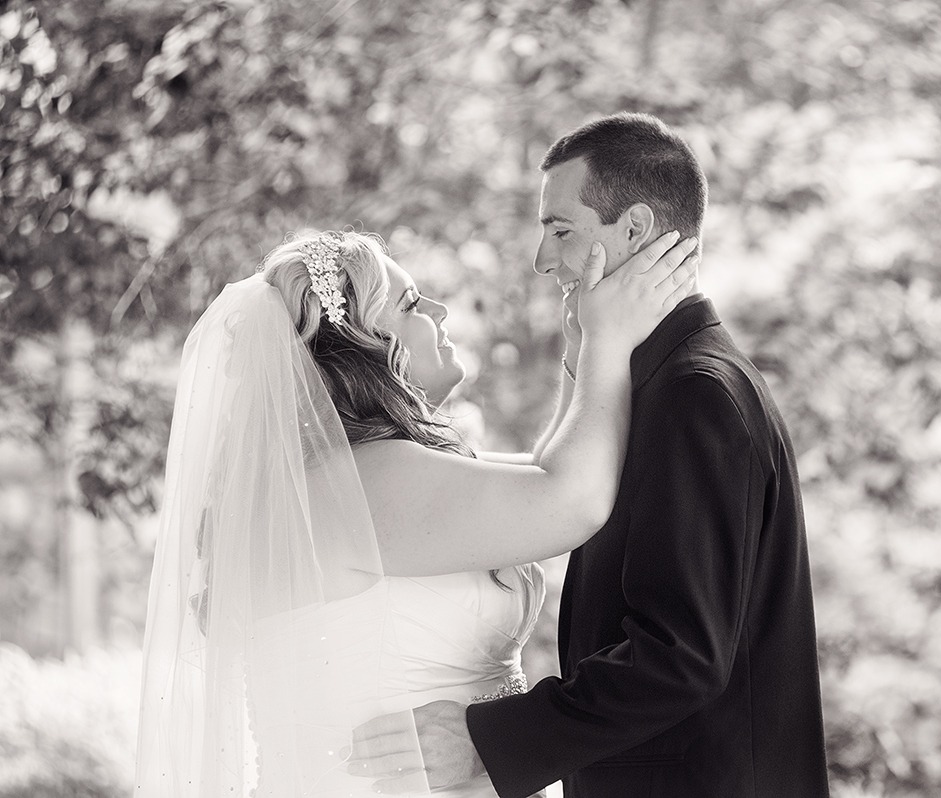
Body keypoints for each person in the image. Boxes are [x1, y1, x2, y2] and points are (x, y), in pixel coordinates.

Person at [349, 113, 831, 797]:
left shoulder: (695, 394)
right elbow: (551, 490)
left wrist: (488, 741)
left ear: (633, 230)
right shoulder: (657, 383)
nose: (543, 260)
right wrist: (586, 360)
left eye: (560, 229)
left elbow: (680, 656)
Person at [132, 227, 698, 797]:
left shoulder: (340, 479)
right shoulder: (368, 481)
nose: (439, 309)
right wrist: (609, 342)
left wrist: (581, 352)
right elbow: (572, 501)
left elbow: (543, 474)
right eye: (409, 304)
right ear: (365, 344)